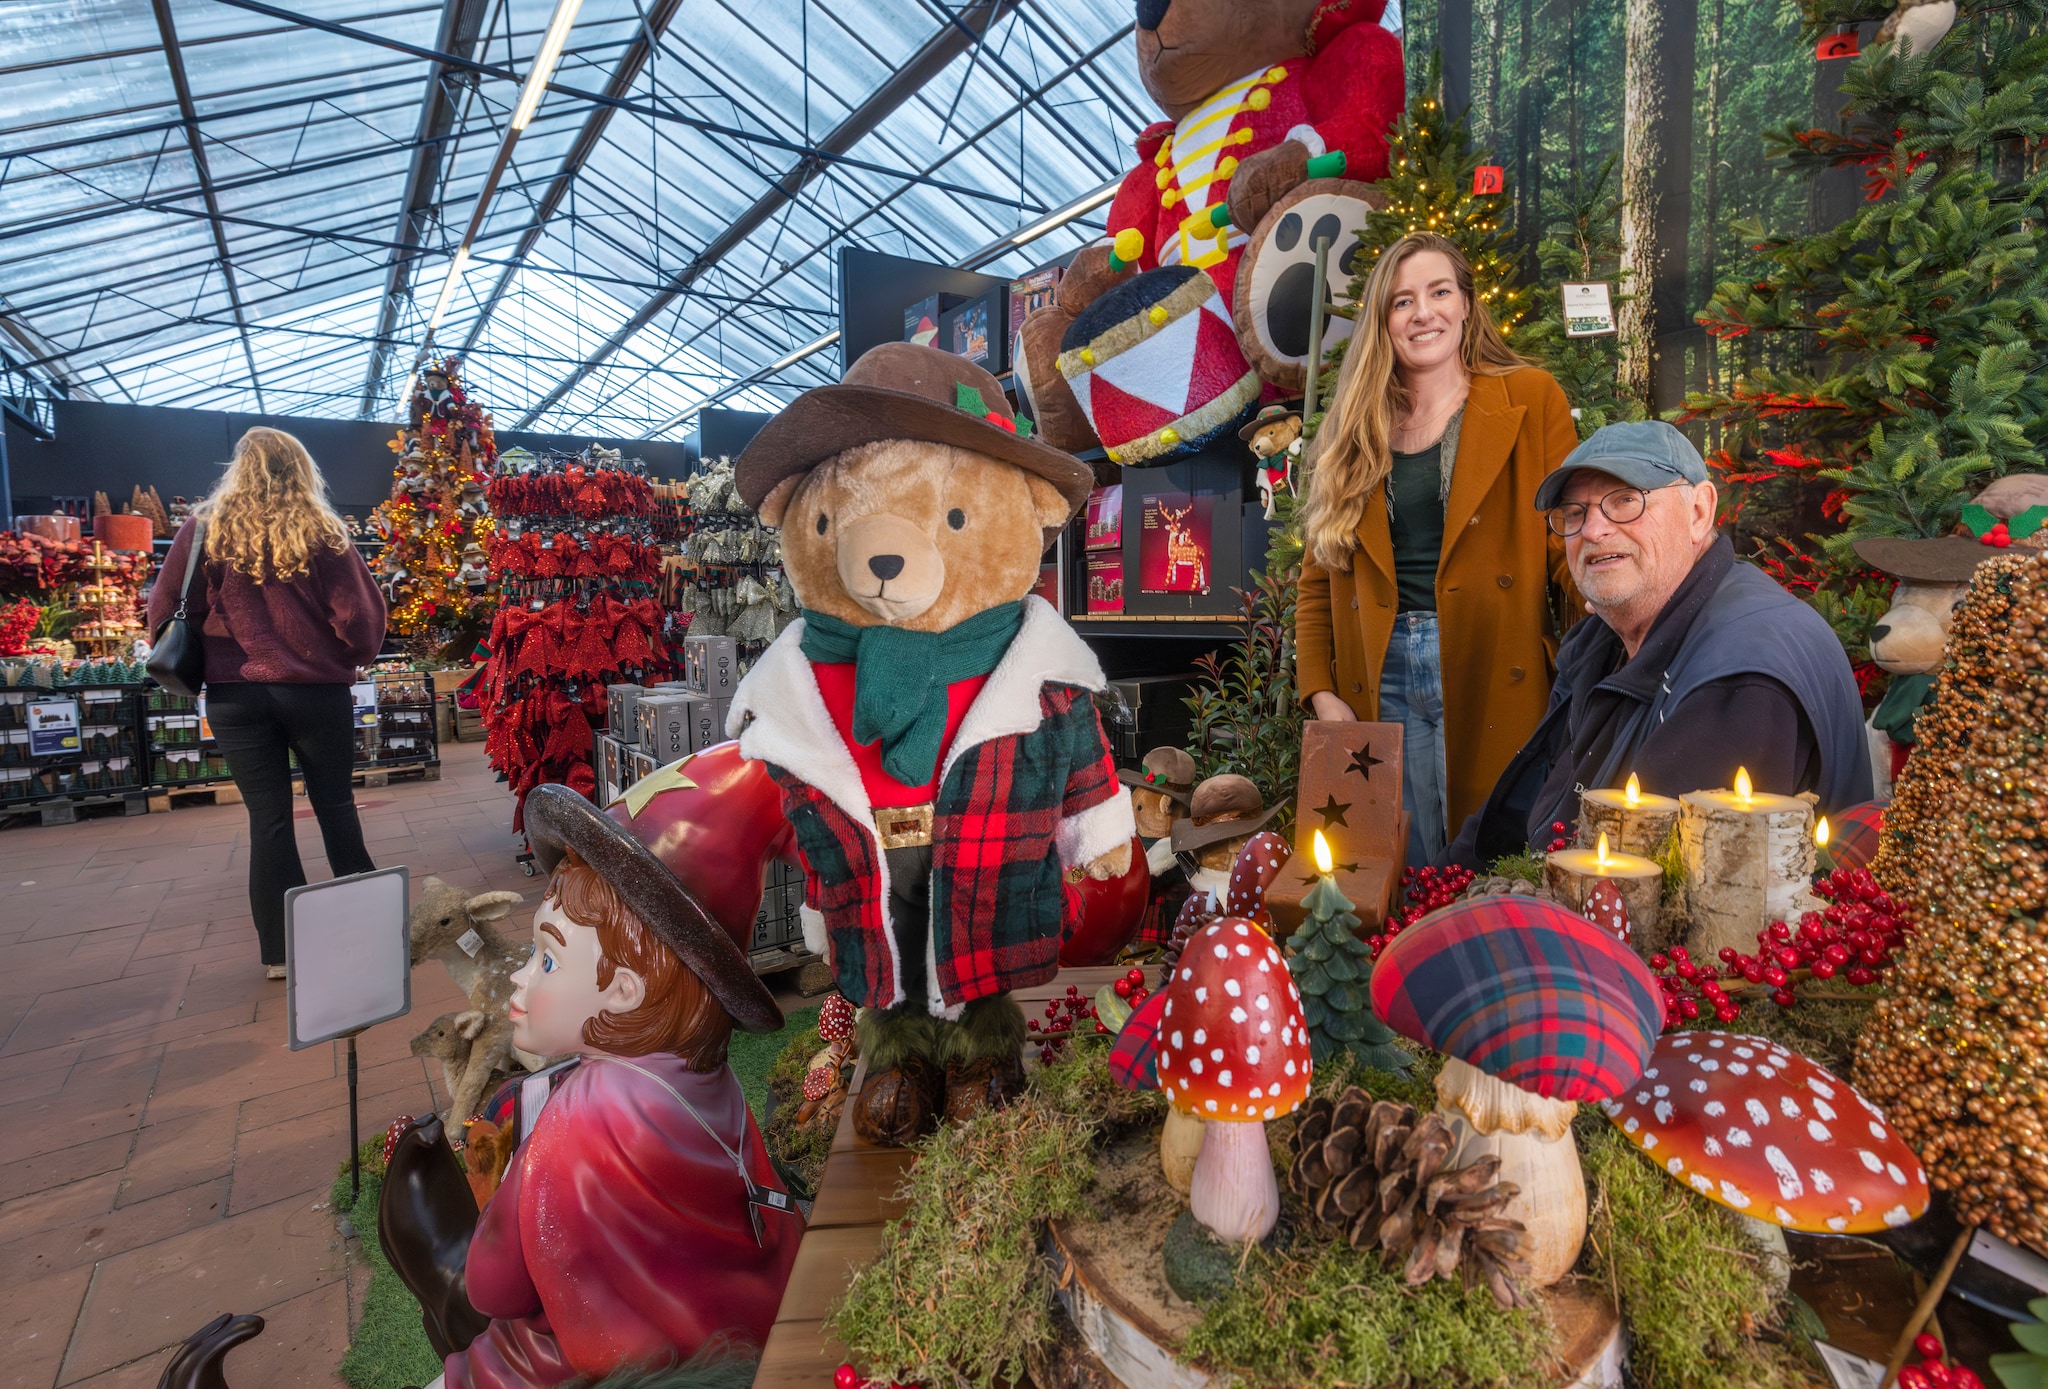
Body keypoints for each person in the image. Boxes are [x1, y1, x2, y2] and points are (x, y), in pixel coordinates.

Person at [1446, 421, 1874, 866]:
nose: (1593, 530)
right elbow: (1540, 802)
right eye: (1575, 512)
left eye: (1625, 501)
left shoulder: (1740, 677)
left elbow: (1656, 891)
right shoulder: (1607, 639)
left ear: (1699, 513)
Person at [1297, 232, 1580, 866]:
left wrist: (1612, 630)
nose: (1423, 312)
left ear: (1467, 305)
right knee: (1397, 861)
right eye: (1402, 301)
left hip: (1492, 652)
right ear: (1383, 322)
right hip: (1380, 665)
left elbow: (1570, 538)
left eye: (1438, 292)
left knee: (1498, 851)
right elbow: (1319, 577)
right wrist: (1321, 691)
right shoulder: (1352, 427)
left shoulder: (1530, 399)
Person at [148, 427, 386, 979]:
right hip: (315, 693)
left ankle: (281, 953)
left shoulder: (204, 528)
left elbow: (161, 610)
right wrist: (349, 654)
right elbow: (360, 618)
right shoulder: (322, 531)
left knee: (269, 820)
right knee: (335, 808)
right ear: (302, 472)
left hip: (234, 697)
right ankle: (371, 928)